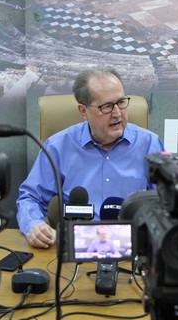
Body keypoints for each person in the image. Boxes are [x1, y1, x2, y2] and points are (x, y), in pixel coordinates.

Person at [17, 67, 165, 248]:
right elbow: (30, 197)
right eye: (107, 106)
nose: (117, 113)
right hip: (77, 249)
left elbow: (166, 203)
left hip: (134, 250)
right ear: (83, 111)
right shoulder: (58, 146)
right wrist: (34, 225)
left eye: (121, 102)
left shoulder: (149, 144)